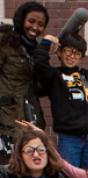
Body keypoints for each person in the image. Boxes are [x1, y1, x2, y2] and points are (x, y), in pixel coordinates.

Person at [33, 32, 88, 169]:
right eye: (68, 51)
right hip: (69, 139)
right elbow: (39, 66)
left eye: (77, 53)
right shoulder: (54, 77)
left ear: (82, 57)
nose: (71, 56)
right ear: (59, 52)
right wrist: (46, 42)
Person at [0, 1, 48, 164]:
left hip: (30, 119)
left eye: (41, 24)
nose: (35, 27)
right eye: (31, 21)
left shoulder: (37, 50)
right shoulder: (5, 43)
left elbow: (39, 85)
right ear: (22, 20)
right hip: (6, 121)